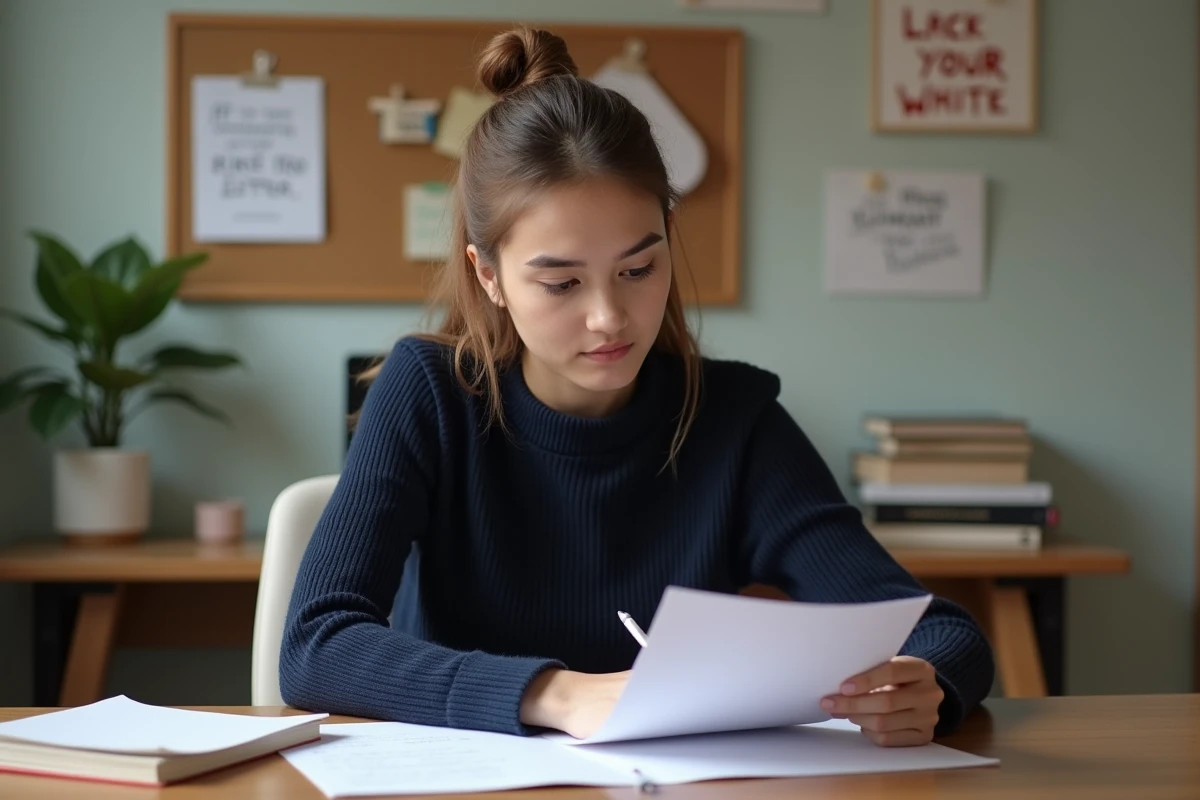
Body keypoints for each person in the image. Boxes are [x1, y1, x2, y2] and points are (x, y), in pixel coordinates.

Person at [280, 25, 995, 748]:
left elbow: (940, 631)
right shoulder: (430, 393)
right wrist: (556, 694)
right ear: (487, 275)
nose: (608, 318)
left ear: (668, 233)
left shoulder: (731, 418)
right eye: (560, 282)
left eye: (638, 269)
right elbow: (316, 644)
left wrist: (926, 683)